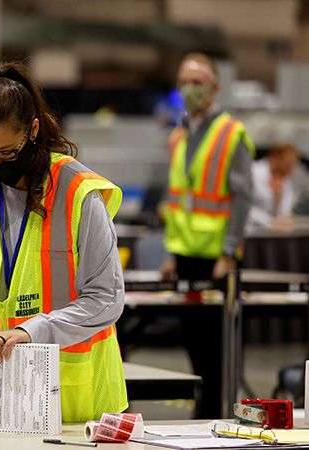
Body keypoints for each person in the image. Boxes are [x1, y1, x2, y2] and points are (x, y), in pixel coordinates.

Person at [0, 62, 128, 423]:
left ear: (33, 130)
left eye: (6, 153)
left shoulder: (78, 193)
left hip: (77, 403)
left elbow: (106, 297)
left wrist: (31, 332)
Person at [161, 53, 254, 419]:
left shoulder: (232, 133)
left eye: (197, 81)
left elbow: (243, 197)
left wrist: (229, 252)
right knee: (194, 346)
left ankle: (218, 419)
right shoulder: (179, 135)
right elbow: (177, 199)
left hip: (217, 259)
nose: (190, 88)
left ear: (215, 87)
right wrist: (171, 253)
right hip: (185, 256)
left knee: (217, 351)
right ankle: (203, 418)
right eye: (184, 81)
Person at [248, 142, 300, 230]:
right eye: (288, 164)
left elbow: (285, 214)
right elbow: (244, 207)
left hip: (273, 232)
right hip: (250, 229)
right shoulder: (253, 172)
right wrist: (269, 221)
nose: (290, 170)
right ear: (275, 157)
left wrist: (278, 199)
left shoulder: (285, 180)